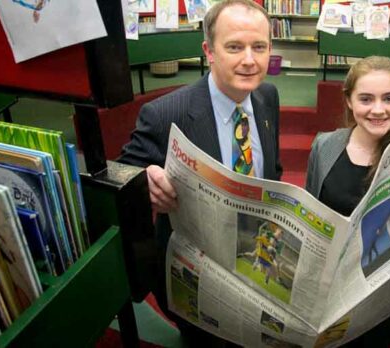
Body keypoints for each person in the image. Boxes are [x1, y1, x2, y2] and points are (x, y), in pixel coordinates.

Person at [118, 0, 282, 345]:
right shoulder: (165, 113)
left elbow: (272, 168)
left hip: (253, 262)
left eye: (260, 47)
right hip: (197, 276)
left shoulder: (268, 97)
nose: (250, 60)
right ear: (209, 50)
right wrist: (142, 179)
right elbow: (120, 176)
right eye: (234, 47)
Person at [305, 56, 390, 347]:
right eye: (366, 99)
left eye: (389, 98)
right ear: (349, 101)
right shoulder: (324, 146)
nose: (378, 110)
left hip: (374, 298)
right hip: (327, 290)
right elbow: (310, 210)